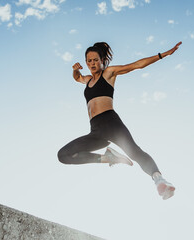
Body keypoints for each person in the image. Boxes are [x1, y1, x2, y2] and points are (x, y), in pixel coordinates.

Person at [58, 41, 182, 200]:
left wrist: (163, 55)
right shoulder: (88, 80)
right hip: (96, 132)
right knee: (63, 155)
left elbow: (136, 65)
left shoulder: (109, 73)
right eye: (89, 60)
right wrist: (75, 70)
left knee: (134, 152)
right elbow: (78, 78)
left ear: (102, 60)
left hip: (111, 123)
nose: (92, 63)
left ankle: (159, 180)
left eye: (95, 60)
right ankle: (108, 158)